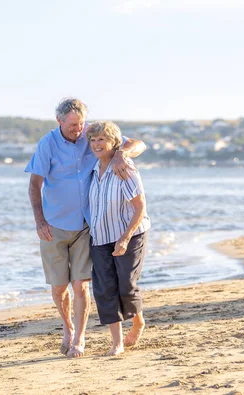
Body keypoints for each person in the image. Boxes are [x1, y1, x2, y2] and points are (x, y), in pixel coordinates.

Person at [25, 98, 146, 358]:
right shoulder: (48, 144)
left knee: (80, 285)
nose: (78, 130)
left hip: (85, 225)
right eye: (72, 125)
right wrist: (39, 221)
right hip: (54, 225)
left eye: (80, 124)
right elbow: (35, 185)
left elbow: (138, 144)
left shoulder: (93, 134)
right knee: (59, 288)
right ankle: (68, 329)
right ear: (59, 121)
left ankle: (79, 339)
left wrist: (122, 154)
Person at [86, 120, 151, 356]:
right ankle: (117, 342)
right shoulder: (93, 171)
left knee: (126, 284)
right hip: (101, 237)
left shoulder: (125, 167)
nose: (96, 144)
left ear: (114, 142)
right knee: (105, 289)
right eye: (92, 140)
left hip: (130, 234)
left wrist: (124, 238)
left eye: (101, 139)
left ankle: (137, 321)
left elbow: (140, 208)